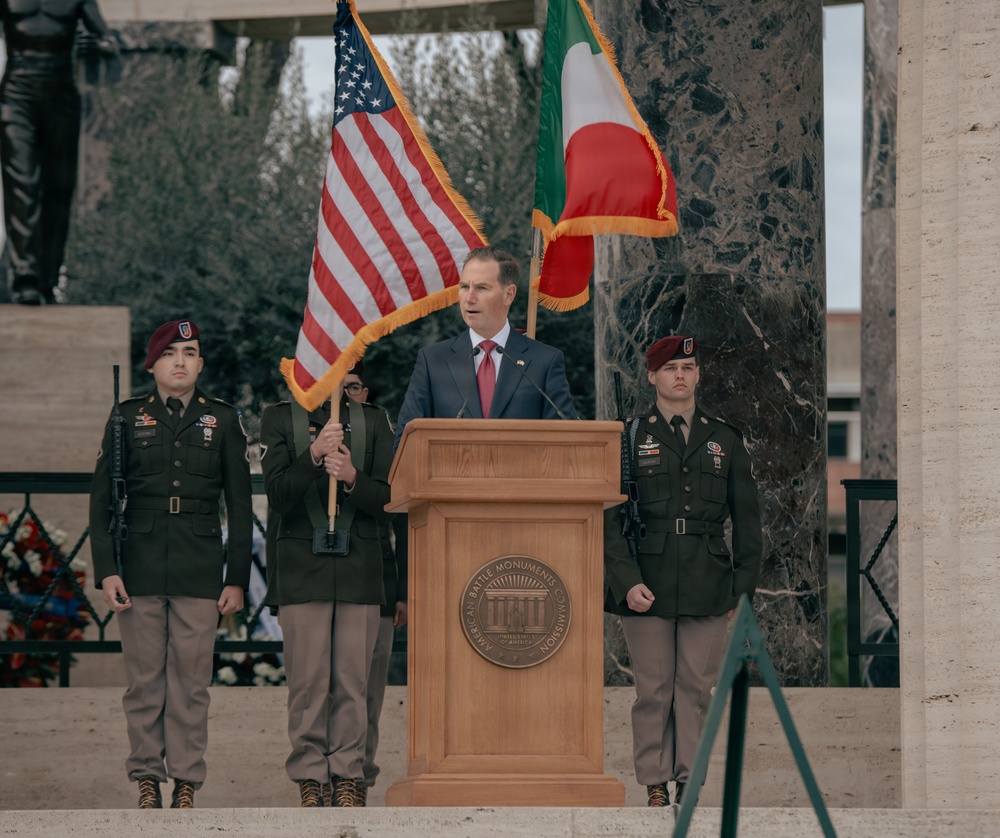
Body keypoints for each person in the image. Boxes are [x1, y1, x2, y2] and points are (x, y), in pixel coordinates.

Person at [89, 319, 253, 809]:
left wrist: (237, 578)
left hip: (199, 567)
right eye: (170, 353)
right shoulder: (125, 417)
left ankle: (185, 779)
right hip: (137, 565)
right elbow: (101, 504)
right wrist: (106, 569)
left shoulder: (222, 420)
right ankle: (146, 775)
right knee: (144, 682)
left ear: (201, 364)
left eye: (190, 352)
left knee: (190, 680)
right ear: (153, 364)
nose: (180, 361)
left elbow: (240, 506)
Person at [603, 335, 762, 808]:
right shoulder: (629, 437)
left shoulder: (725, 439)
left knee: (694, 688)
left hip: (709, 580)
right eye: (671, 368)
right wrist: (626, 581)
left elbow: (749, 522)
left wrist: (742, 589)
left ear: (697, 376)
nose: (680, 376)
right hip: (645, 580)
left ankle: (688, 780)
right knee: (652, 690)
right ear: (652, 375)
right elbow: (610, 522)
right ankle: (655, 782)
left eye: (689, 368)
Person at [259, 365, 394, 808]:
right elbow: (277, 495)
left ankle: (348, 775)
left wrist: (354, 478)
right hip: (302, 568)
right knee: (308, 680)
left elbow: (392, 501)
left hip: (359, 567)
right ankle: (311, 776)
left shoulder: (373, 421)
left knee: (353, 680)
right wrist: (314, 454)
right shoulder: (280, 418)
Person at [393, 244, 578, 449]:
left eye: (482, 288)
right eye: (464, 287)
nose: (469, 298)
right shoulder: (432, 361)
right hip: (451, 480)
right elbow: (405, 444)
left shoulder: (545, 361)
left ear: (509, 294)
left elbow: (565, 443)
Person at [0, 0, 118, 304]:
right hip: (18, 90)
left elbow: (109, 40)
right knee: (21, 182)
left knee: (59, 187)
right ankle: (25, 277)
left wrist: (98, 44)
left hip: (61, 90)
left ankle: (48, 279)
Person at [341, 363, 408, 806]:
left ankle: (357, 779)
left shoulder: (381, 427)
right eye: (335, 388)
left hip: (377, 581)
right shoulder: (295, 427)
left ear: (365, 394)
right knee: (324, 684)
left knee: (368, 688)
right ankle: (322, 776)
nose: (345, 397)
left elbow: (396, 509)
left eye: (353, 388)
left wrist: (403, 589)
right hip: (316, 577)